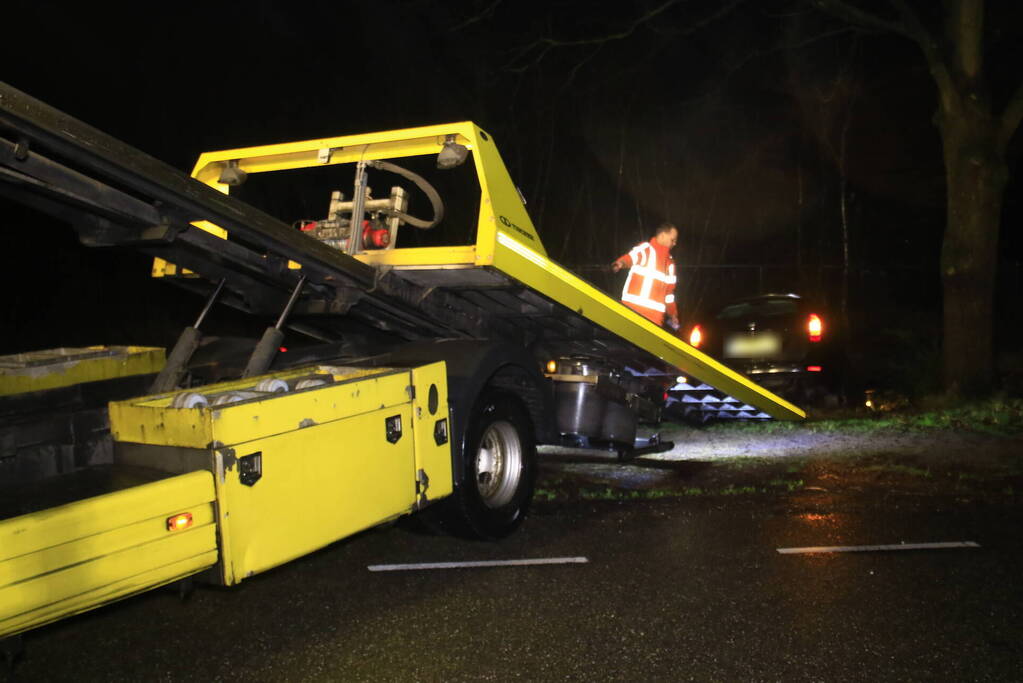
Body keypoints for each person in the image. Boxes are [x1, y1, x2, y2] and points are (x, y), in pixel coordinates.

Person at [611, 222, 679, 330]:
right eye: (673, 240)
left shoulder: (670, 265)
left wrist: (673, 314)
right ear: (662, 235)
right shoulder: (646, 249)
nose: (674, 243)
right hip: (631, 309)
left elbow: (669, 294)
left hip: (654, 319)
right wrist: (621, 263)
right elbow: (632, 257)